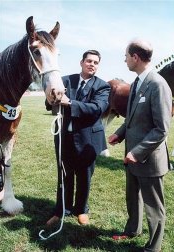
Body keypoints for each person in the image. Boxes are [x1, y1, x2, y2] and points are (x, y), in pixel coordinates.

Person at [108, 39, 172, 252]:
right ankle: (132, 230)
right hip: (132, 157)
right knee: (132, 198)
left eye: (126, 56)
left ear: (135, 57)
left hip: (148, 159)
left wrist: (137, 152)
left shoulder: (158, 84)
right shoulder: (136, 82)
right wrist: (119, 134)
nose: (124, 60)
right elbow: (131, 118)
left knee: (154, 206)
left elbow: (161, 129)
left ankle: (154, 247)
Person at [46, 50, 110, 226]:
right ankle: (61, 210)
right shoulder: (65, 80)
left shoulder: (103, 86)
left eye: (96, 62)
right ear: (81, 62)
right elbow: (50, 103)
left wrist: (70, 103)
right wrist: (49, 95)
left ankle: (81, 210)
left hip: (88, 140)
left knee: (84, 177)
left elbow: (97, 109)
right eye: (89, 61)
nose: (92, 64)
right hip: (64, 138)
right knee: (64, 175)